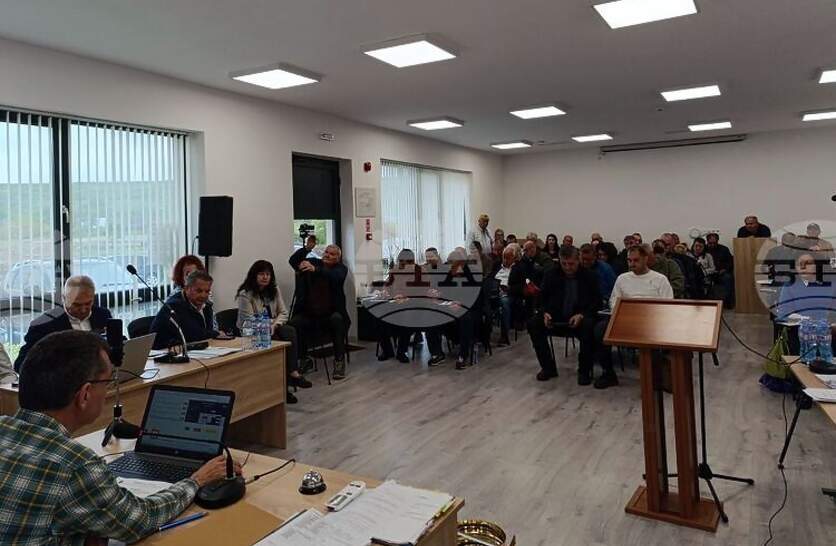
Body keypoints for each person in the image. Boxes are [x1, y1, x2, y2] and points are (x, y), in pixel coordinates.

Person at [0, 330, 237, 545]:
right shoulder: (75, 464)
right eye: (107, 382)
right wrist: (196, 480)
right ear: (85, 395)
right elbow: (141, 520)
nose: (108, 392)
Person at [594, 245, 675, 389]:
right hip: (625, 320)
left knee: (655, 335)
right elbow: (614, 301)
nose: (632, 264)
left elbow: (668, 304)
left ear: (645, 259)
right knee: (600, 329)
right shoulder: (622, 278)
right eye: (629, 260)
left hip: (651, 322)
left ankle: (655, 379)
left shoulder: (660, 279)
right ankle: (608, 373)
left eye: (636, 260)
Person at [235, 260, 311, 404]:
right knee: (281, 341)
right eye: (261, 274)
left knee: (289, 331)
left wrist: (275, 324)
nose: (265, 277)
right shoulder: (245, 294)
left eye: (268, 274)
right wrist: (271, 322)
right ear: (254, 275)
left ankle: (290, 375)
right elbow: (249, 319)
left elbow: (283, 313)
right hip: (251, 331)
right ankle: (286, 384)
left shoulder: (274, 290)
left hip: (272, 328)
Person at [528, 245, 601, 385]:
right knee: (533, 324)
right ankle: (548, 368)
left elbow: (596, 302)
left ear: (578, 260)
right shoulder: (551, 274)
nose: (568, 267)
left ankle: (584, 371)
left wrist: (581, 315)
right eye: (564, 264)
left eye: (571, 264)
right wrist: (545, 313)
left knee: (589, 326)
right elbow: (541, 299)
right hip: (555, 316)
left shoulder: (590, 276)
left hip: (579, 318)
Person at [15, 275, 112, 371]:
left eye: (88, 303)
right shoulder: (44, 324)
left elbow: (114, 346)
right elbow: (21, 364)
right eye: (76, 305)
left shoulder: (103, 315)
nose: (83, 310)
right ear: (64, 298)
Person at [289, 237, 350, 379]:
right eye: (326, 252)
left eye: (332, 254)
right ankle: (304, 359)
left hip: (331, 314)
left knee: (337, 320)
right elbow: (293, 261)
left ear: (338, 258)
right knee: (294, 324)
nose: (327, 255)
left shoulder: (341, 269)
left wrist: (314, 269)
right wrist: (307, 249)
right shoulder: (315, 261)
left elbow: (334, 276)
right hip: (310, 313)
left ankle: (339, 361)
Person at [150, 270, 219, 349]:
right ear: (186, 288)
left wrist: (213, 334)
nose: (203, 295)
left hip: (194, 349)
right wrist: (216, 333)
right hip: (166, 352)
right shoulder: (174, 305)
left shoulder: (206, 305)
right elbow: (193, 334)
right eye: (199, 291)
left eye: (207, 291)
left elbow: (206, 333)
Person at [377, 249, 415, 364]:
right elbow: (387, 285)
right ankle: (387, 350)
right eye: (400, 262)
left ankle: (402, 351)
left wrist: (406, 296)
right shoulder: (394, 270)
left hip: (412, 304)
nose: (402, 265)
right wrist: (384, 291)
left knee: (406, 317)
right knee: (379, 317)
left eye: (404, 262)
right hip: (395, 302)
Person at [495, 243, 524, 345]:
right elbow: (489, 278)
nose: (505, 260)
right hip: (494, 293)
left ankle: (504, 336)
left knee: (504, 303)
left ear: (514, 258)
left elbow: (522, 286)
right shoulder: (497, 266)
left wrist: (509, 289)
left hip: (509, 295)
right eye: (504, 257)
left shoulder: (519, 268)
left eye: (508, 258)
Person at [705, 232, 735, 307]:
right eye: (710, 243)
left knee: (728, 278)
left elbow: (730, 262)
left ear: (717, 241)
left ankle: (727, 302)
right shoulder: (704, 249)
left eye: (714, 243)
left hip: (721, 272)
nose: (712, 245)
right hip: (708, 272)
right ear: (707, 241)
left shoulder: (724, 249)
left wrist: (725, 269)